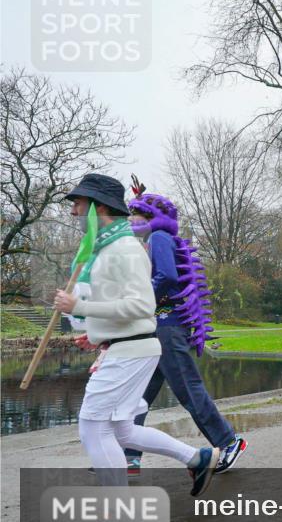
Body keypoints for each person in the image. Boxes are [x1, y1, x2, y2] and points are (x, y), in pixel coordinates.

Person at [54, 173, 217, 496]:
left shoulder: (124, 248)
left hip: (130, 351)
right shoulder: (106, 248)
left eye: (78, 204)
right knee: (122, 430)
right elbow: (122, 305)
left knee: (93, 427)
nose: (73, 211)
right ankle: (197, 458)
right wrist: (98, 335)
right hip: (127, 347)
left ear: (98, 207)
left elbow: (142, 305)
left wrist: (80, 306)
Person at [123, 179, 247, 476]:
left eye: (134, 214)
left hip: (168, 327)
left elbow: (167, 277)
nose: (130, 220)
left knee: (188, 390)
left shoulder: (159, 237)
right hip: (157, 328)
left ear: (149, 216)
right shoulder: (152, 240)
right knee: (136, 395)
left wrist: (140, 302)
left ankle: (228, 442)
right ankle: (128, 455)